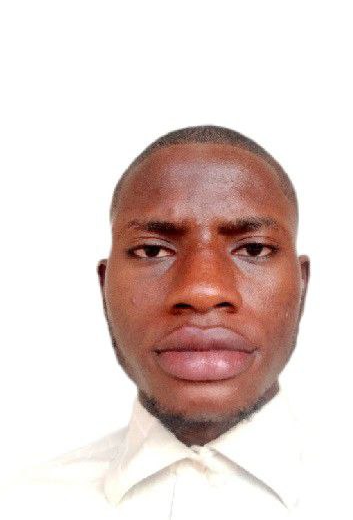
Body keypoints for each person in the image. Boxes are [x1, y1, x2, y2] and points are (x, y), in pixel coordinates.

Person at [1, 125, 310, 519]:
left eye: (253, 249)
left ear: (302, 286)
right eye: (151, 251)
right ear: (104, 286)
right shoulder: (19, 503)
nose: (202, 290)